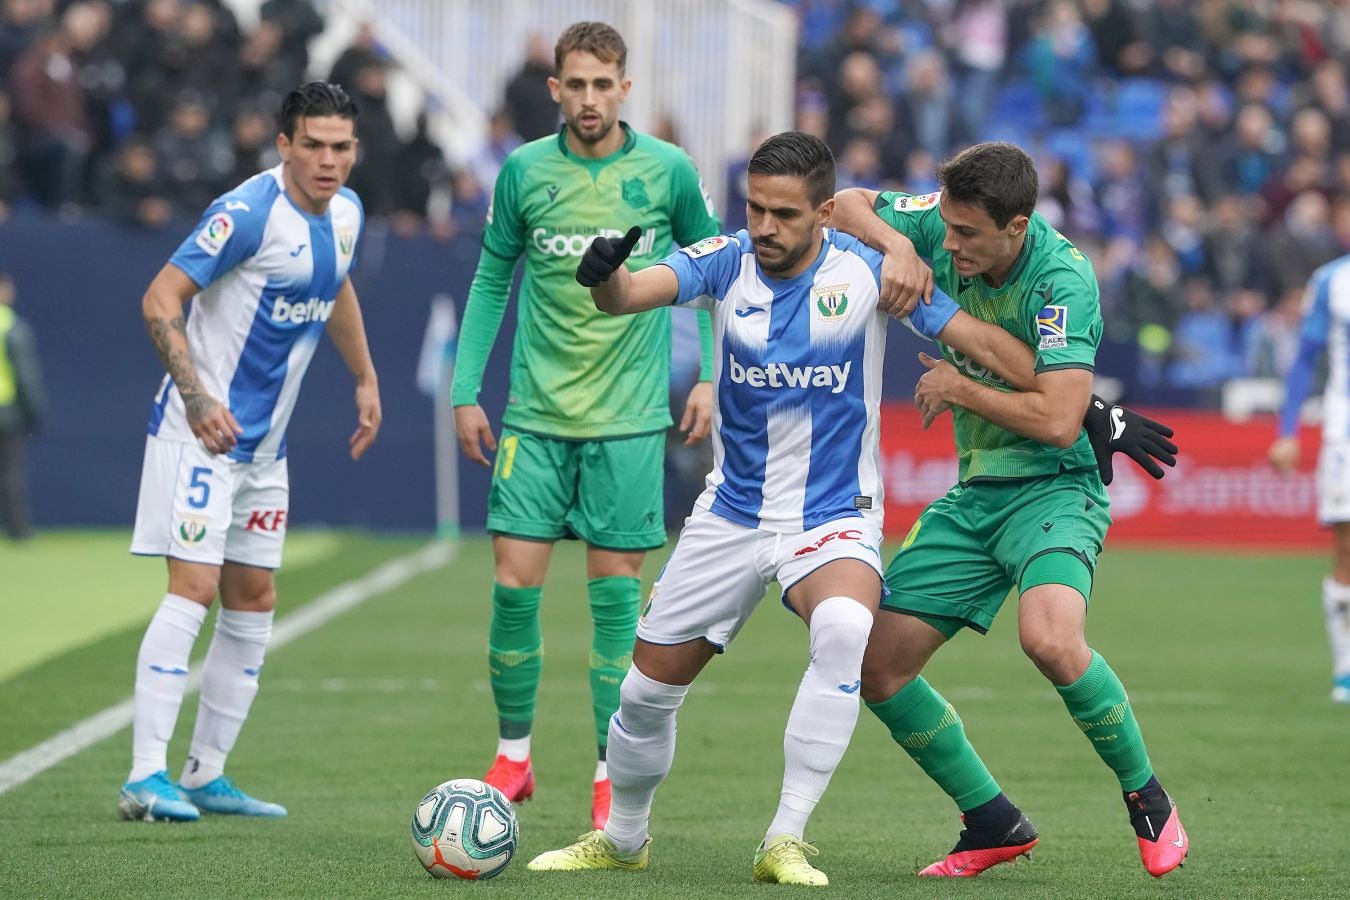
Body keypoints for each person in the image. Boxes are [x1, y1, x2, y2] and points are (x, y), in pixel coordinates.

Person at [528, 131, 1048, 885]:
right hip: (731, 513)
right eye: (754, 208)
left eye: (783, 213)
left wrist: (1070, 395)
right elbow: (630, 295)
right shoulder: (726, 259)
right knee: (642, 696)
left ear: (825, 213)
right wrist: (604, 276)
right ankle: (624, 837)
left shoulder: (870, 271)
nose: (764, 227)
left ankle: (785, 838)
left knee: (844, 627)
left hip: (833, 513)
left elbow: (976, 339)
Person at [831, 141, 1188, 879]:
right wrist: (900, 243)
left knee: (1051, 640)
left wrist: (961, 390)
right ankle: (992, 821)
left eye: (967, 235)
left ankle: (1147, 796)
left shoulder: (1062, 279)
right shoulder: (939, 224)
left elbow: (1061, 421)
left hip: (1057, 485)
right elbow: (842, 205)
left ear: (1017, 227)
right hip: (977, 490)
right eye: (947, 228)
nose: (951, 244)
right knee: (876, 668)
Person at [450, 21, 721, 831]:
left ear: (624, 89)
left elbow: (710, 267)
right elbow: (493, 277)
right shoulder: (524, 172)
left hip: (631, 422)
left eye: (605, 84)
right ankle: (514, 756)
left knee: (615, 608)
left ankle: (607, 773)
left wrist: (708, 373)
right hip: (535, 417)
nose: (591, 98)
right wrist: (468, 389)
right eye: (578, 84)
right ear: (556, 90)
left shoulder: (667, 171)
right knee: (511, 590)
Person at [119, 82, 380, 823]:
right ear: (285, 145)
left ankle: (204, 774)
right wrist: (198, 395)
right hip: (200, 434)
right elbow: (158, 299)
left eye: (342, 147)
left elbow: (337, 288)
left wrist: (365, 377)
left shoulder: (348, 214)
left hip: (267, 450)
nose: (329, 162)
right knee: (194, 588)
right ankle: (144, 776)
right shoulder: (246, 213)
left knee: (254, 596)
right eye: (316, 146)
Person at [1269, 251, 1350, 704]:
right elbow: (1305, 360)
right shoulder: (1333, 280)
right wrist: (1287, 431)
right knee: (1346, 549)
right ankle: (1346, 669)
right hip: (1346, 435)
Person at [0, 270, 46, 540]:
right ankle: (18, 529)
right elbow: (25, 374)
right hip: (6, 410)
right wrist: (34, 409)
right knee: (11, 472)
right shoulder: (10, 325)